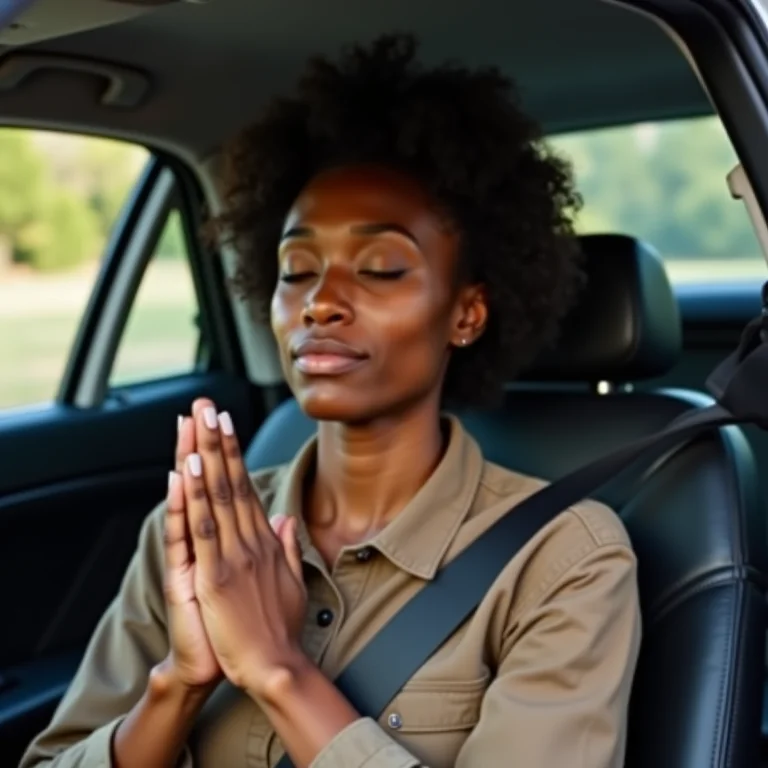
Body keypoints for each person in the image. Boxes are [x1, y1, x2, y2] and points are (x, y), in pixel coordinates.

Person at [20, 33, 640, 768]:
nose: (319, 302)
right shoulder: (194, 533)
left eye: (380, 268)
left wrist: (278, 671)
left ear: (467, 314)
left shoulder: (563, 558)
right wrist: (178, 684)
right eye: (296, 269)